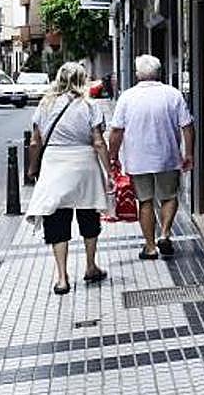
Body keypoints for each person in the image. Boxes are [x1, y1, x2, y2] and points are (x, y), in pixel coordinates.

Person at [25, 62, 113, 294]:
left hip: (55, 164)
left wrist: (33, 167)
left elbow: (35, 141)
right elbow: (98, 141)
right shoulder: (89, 106)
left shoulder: (45, 105)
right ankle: (91, 266)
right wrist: (109, 171)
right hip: (85, 165)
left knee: (57, 220)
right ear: (82, 80)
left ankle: (62, 278)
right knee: (89, 216)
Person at [108, 54, 194, 260]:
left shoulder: (127, 97)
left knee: (145, 201)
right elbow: (187, 126)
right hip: (168, 156)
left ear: (138, 74)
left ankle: (150, 246)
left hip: (138, 159)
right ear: (158, 72)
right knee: (170, 196)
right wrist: (189, 153)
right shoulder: (173, 94)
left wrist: (113, 156)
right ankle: (164, 233)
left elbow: (117, 131)